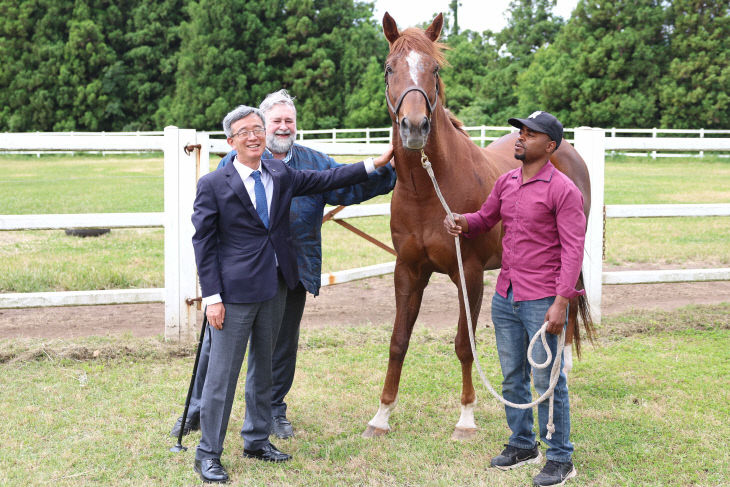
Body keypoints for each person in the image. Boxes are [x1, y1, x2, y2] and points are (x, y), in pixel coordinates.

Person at [170, 90, 396, 441]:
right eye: (275, 120)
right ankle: (197, 410)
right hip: (240, 276)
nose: (283, 126)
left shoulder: (311, 162)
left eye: (289, 120)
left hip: (292, 269)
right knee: (218, 347)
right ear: (258, 127)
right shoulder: (231, 166)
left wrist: (386, 170)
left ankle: (272, 411)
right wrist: (213, 290)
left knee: (280, 345)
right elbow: (211, 230)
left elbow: (343, 183)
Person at [444, 111, 584, 487]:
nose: (520, 138)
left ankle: (559, 457)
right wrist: (463, 221)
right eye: (520, 132)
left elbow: (573, 252)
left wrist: (561, 302)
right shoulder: (507, 182)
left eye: (530, 134)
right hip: (506, 296)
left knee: (548, 380)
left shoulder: (563, 191)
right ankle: (523, 443)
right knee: (512, 377)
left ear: (550, 146)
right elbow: (485, 218)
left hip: (542, 299)